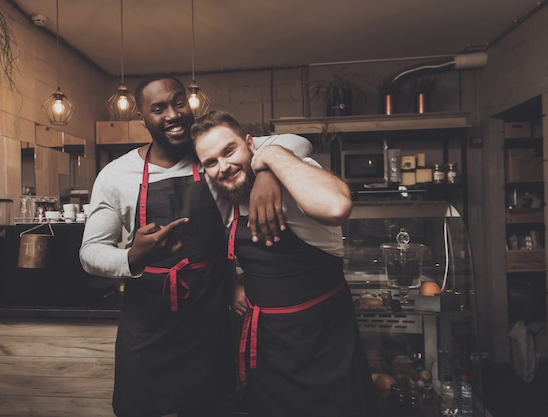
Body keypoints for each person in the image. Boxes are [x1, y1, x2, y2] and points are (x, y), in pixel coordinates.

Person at [79, 75, 312, 417]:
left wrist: (266, 170)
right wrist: (133, 256)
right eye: (158, 109)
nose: (172, 115)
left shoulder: (212, 155)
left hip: (209, 323)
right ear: (141, 119)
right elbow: (90, 253)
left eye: (178, 103)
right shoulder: (116, 176)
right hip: (148, 330)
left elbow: (299, 142)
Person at [191, 110, 378, 417]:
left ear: (251, 144)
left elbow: (337, 205)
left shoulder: (295, 172)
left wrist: (270, 162)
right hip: (268, 348)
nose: (223, 166)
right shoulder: (222, 192)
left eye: (229, 151)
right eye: (211, 162)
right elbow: (213, 244)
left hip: (326, 341)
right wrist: (233, 283)